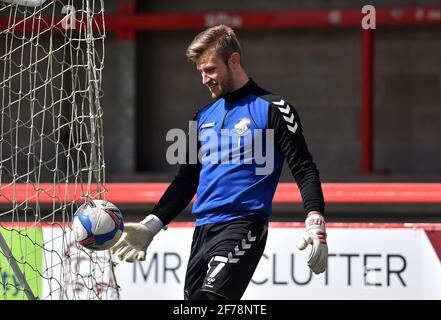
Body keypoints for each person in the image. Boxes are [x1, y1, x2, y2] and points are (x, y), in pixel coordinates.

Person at [111, 25, 328, 300]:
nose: (204, 79)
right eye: (201, 72)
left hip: (242, 225)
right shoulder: (201, 117)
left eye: (211, 69)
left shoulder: (274, 108)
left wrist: (315, 221)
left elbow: (304, 168)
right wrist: (151, 225)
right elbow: (186, 181)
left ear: (234, 60)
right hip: (203, 230)